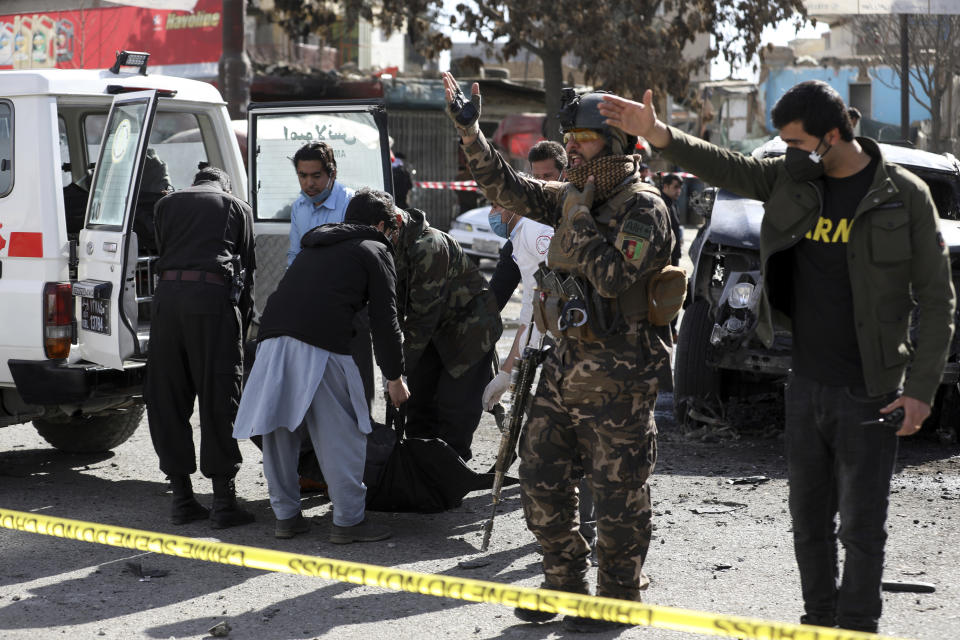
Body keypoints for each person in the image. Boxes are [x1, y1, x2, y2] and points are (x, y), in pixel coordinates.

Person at [598, 80, 956, 633]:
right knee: (808, 523)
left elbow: (938, 300)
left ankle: (857, 625)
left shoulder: (903, 195)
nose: (788, 152)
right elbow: (726, 165)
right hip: (806, 384)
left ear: (832, 136)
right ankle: (818, 620)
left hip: (874, 389)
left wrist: (921, 390)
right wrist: (658, 134)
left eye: (795, 141)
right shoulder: (792, 180)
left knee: (863, 528)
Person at [443, 71, 674, 632]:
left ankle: (617, 596)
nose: (571, 146)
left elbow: (616, 278)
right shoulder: (574, 192)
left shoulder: (643, 208)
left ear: (616, 144)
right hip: (563, 364)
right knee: (541, 476)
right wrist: (471, 132)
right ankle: (562, 581)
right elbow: (508, 188)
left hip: (621, 373)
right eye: (568, 137)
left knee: (618, 493)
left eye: (585, 138)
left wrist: (577, 220)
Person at [234, 188, 408, 542]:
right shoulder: (375, 248)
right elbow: (385, 321)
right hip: (322, 344)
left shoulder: (316, 246)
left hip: (272, 340)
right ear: (380, 224)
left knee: (278, 430)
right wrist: (394, 377)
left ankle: (287, 517)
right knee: (341, 432)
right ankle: (348, 522)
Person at [146, 166, 257, 529]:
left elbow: (165, 251)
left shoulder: (166, 205)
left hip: (166, 303)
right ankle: (224, 503)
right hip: (211, 303)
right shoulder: (236, 207)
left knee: (167, 398)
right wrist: (242, 327)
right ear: (224, 184)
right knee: (219, 397)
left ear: (196, 183)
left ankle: (182, 499)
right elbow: (248, 272)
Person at [392, 204, 502, 462]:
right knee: (418, 401)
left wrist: (396, 371)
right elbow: (392, 308)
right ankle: (419, 465)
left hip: (471, 329)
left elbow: (422, 317)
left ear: (396, 221)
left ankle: (450, 472)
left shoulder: (429, 245)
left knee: (456, 407)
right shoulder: (388, 241)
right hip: (434, 329)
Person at [287, 141, 375, 410]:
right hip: (311, 305)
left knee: (356, 381)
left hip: (349, 306)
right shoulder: (299, 208)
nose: (309, 183)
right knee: (316, 381)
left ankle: (364, 436)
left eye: (316, 176)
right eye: (303, 176)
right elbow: (294, 256)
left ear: (331, 174)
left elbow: (361, 257)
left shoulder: (351, 204)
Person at [487, 141, 566, 309]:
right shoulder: (520, 235)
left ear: (563, 174)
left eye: (547, 176)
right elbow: (501, 292)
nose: (542, 184)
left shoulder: (572, 209)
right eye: (537, 177)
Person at [659, 173, 684, 268]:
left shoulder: (672, 202)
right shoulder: (661, 204)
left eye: (680, 188)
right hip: (665, 258)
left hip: (673, 254)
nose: (679, 191)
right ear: (665, 186)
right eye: (676, 187)